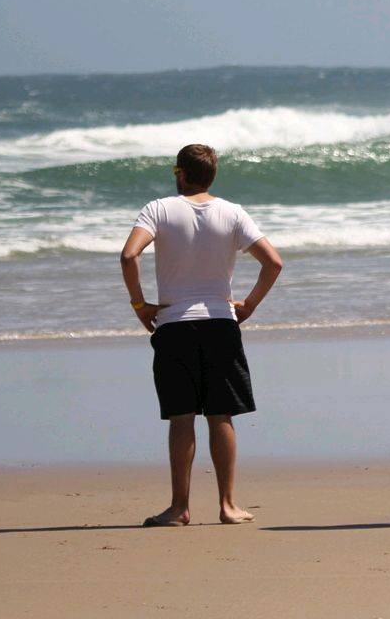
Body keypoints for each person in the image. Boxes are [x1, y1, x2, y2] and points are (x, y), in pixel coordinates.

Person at [119, 144, 283, 527]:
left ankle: (179, 508)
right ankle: (228, 505)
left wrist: (140, 304)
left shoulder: (158, 209)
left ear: (181, 173)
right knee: (221, 416)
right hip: (220, 323)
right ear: (212, 176)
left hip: (174, 325)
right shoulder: (232, 212)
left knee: (181, 418)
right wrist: (248, 306)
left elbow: (129, 256)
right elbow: (273, 263)